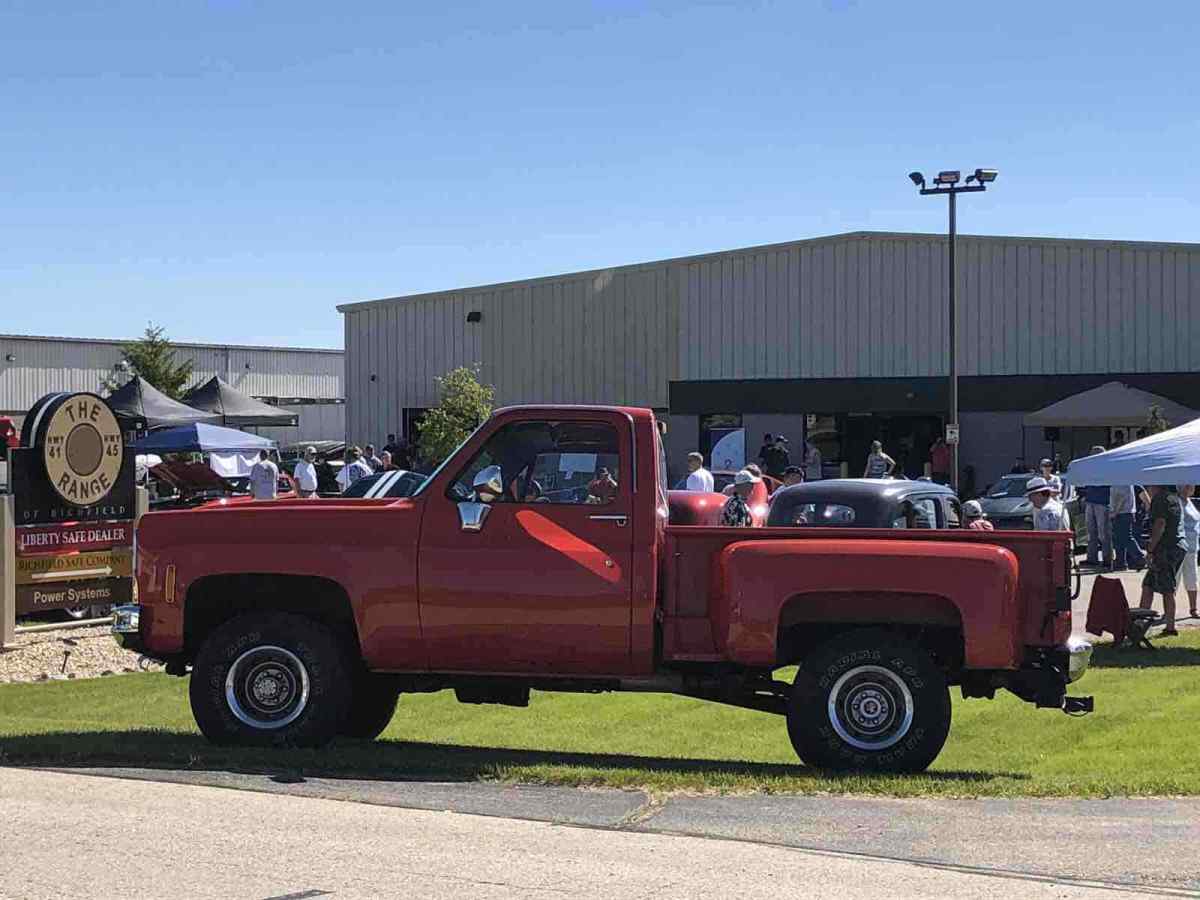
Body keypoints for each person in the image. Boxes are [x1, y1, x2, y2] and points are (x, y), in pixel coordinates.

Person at [1140, 485, 1187, 635]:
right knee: (1148, 585)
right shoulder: (1174, 498)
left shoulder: (1160, 499)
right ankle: (1140, 623)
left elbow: (1160, 524)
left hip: (1166, 548)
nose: (1147, 488)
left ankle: (1170, 627)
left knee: (1167, 589)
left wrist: (1150, 549)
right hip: (1177, 545)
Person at [1079, 446, 1112, 569]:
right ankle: (1092, 558)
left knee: (1104, 533)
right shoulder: (1090, 468)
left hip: (1103, 502)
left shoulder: (1108, 468)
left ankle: (1107, 559)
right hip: (1090, 501)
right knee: (1090, 532)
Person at [1109, 484, 1147, 571]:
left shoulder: (1122, 482)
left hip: (1123, 513)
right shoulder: (1123, 481)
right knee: (1119, 539)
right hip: (1123, 513)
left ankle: (1140, 557)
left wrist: (1114, 512)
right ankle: (1121, 563)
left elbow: (1121, 498)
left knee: (1126, 538)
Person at [1175, 484, 1198, 619]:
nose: (1193, 488)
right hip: (1179, 547)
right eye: (1190, 485)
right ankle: (1169, 611)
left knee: (1192, 579)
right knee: (1175, 579)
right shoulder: (1177, 501)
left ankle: (1193, 609)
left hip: (1192, 548)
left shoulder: (1190, 502)